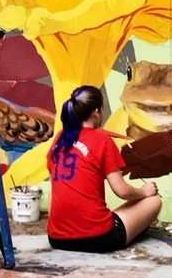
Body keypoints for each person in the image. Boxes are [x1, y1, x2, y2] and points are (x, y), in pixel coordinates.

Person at [47, 85, 161, 252]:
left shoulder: (60, 139)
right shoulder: (102, 140)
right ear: (96, 112)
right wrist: (144, 191)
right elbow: (122, 191)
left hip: (57, 238)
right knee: (153, 201)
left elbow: (54, 191)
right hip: (98, 239)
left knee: (110, 212)